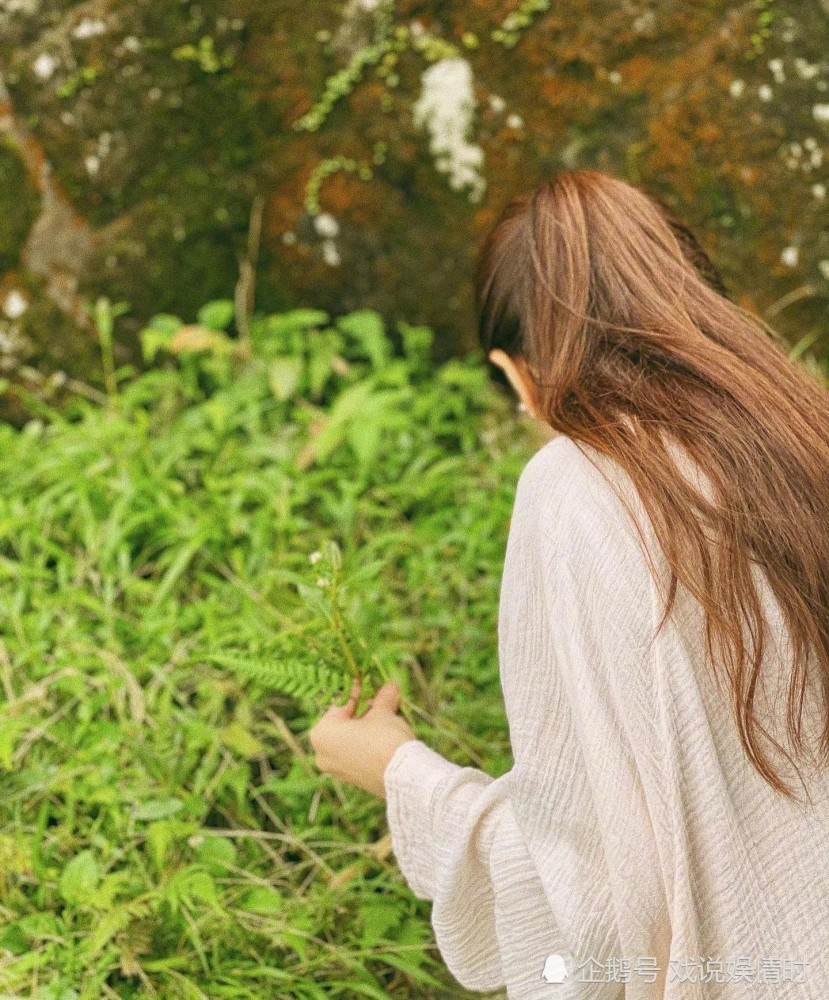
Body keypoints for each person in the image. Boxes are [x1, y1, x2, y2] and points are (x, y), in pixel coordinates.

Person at [307, 170, 829, 998]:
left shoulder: (575, 490)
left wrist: (399, 774)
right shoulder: (800, 430)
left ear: (516, 376)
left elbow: (597, 897)